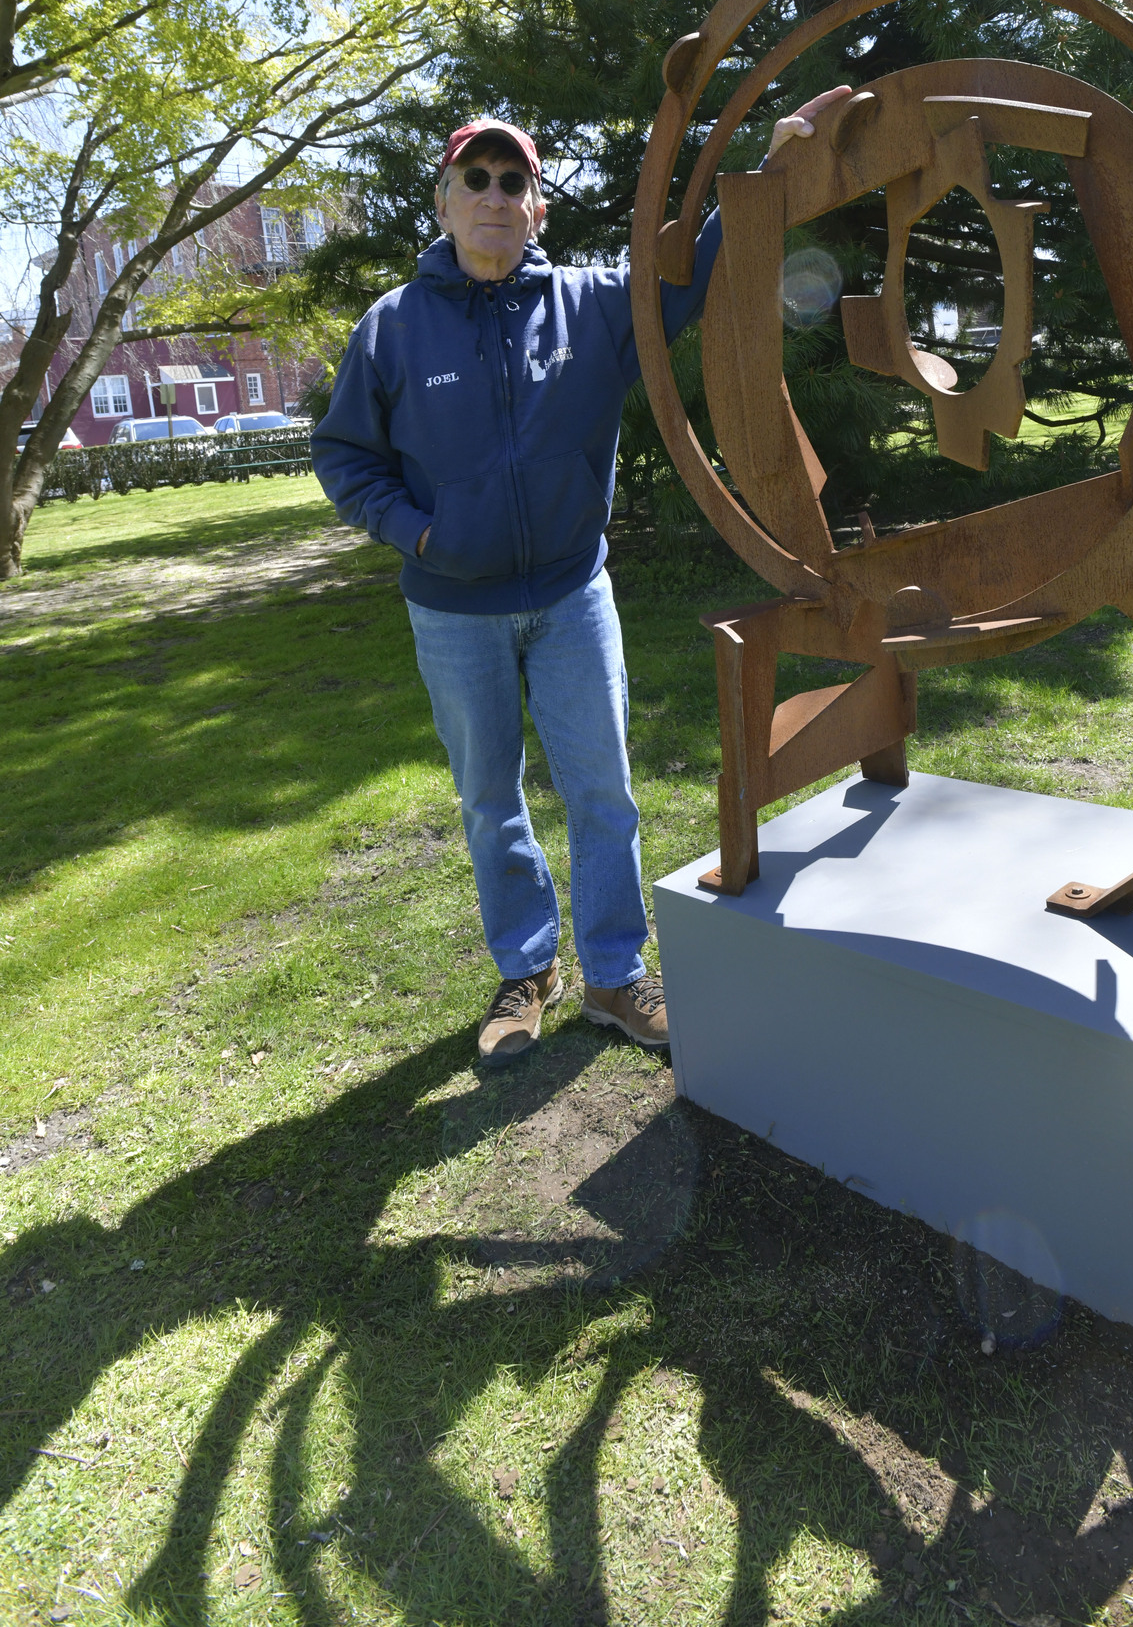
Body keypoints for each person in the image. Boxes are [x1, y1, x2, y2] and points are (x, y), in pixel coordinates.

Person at [311, 92, 848, 1065]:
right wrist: (419, 535)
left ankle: (611, 976)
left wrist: (766, 168)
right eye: (475, 179)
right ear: (443, 200)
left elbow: (690, 268)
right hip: (452, 610)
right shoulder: (391, 330)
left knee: (603, 791)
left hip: (571, 597)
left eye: (514, 181)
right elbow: (345, 458)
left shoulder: (596, 306)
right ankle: (526, 970)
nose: (494, 195)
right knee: (490, 797)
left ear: (537, 209)